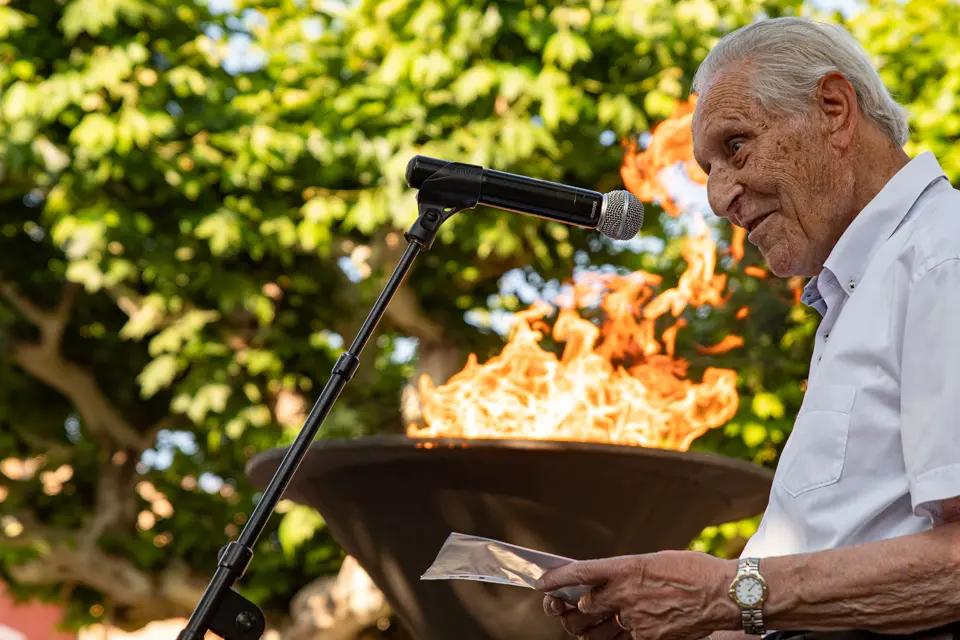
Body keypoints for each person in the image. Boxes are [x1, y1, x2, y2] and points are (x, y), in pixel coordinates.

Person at [536, 16, 960, 640]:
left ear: (834, 109)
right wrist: (675, 615)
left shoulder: (940, 255)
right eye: (708, 168)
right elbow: (811, 583)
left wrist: (725, 595)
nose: (717, 197)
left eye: (735, 147)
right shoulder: (863, 288)